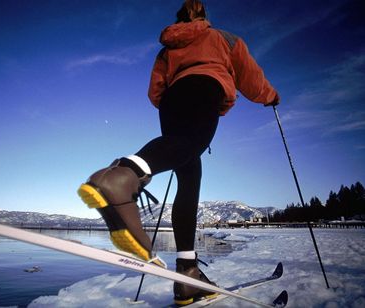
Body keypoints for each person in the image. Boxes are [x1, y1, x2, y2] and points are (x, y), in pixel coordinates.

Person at [78, 0, 279, 305]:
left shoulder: (166, 49)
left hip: (172, 103)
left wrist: (175, 104)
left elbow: (155, 92)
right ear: (205, 16)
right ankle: (125, 174)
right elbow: (250, 78)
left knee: (189, 177)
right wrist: (271, 97)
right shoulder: (224, 38)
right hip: (206, 89)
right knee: (190, 147)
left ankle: (188, 275)